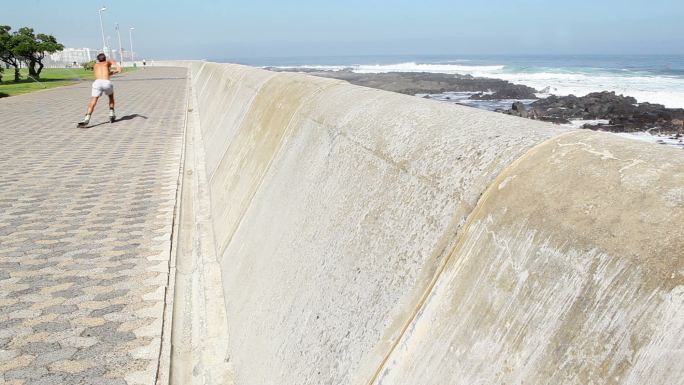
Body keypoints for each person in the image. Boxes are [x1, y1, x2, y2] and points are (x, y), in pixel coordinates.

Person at [77, 53, 123, 127]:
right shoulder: (108, 62)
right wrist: (117, 69)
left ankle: (86, 118)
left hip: (97, 83)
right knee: (111, 97)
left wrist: (112, 72)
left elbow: (103, 74)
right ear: (105, 58)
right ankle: (111, 113)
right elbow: (118, 68)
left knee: (93, 100)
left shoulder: (95, 65)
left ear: (98, 59)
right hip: (106, 82)